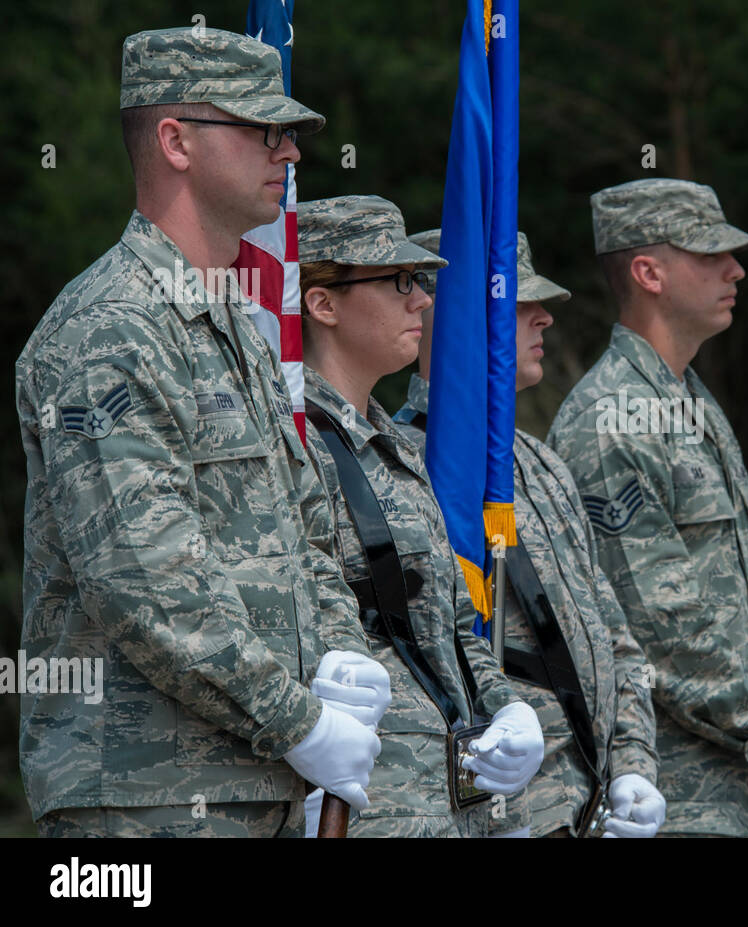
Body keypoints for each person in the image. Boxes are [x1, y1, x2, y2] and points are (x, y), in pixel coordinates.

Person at [15, 27, 390, 837]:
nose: (288, 152)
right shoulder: (110, 328)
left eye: (288, 133)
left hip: (258, 787)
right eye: (262, 129)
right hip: (140, 800)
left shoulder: (231, 328)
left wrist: (338, 662)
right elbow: (146, 583)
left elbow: (307, 534)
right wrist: (302, 722)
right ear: (175, 141)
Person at [547, 179, 748, 837]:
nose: (735, 269)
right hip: (661, 796)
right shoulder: (611, 420)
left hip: (725, 790)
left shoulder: (693, 407)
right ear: (649, 272)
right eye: (710, 254)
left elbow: (731, 584)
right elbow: (659, 625)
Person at [395, 229, 666, 837]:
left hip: (588, 807)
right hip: (498, 812)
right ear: (463, 316)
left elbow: (612, 638)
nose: (544, 317)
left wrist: (633, 767)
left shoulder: (542, 466)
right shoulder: (407, 468)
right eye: (519, 304)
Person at [296, 197, 545, 837]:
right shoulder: (288, 442)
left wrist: (507, 707)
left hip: (442, 804)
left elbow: (458, 622)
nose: (425, 301)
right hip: (360, 805)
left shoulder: (401, 450)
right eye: (399, 281)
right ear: (322, 304)